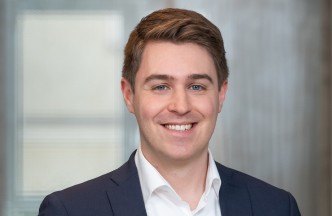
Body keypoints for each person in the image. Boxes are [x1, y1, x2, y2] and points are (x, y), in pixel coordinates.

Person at [38, 8, 301, 216]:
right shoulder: (71, 210)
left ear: (221, 94)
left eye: (196, 86)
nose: (180, 106)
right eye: (161, 86)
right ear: (129, 95)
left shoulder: (277, 207)